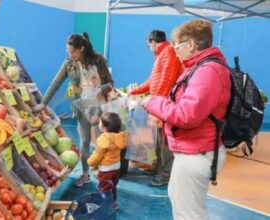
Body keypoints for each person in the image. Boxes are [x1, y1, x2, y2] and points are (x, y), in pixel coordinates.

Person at [141, 19, 231, 219]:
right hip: (190, 150)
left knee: (189, 213)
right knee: (179, 201)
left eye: (177, 45)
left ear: (191, 44)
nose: (174, 50)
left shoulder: (208, 72)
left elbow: (187, 115)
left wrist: (153, 102)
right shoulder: (200, 69)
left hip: (197, 153)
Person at [41, 33, 114, 187]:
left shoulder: (98, 60)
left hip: (101, 108)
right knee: (85, 142)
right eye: (68, 52)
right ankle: (85, 174)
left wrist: (101, 89)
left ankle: (105, 175)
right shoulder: (69, 64)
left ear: (82, 48)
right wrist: (43, 103)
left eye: (73, 52)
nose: (71, 55)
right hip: (82, 109)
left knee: (103, 143)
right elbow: (55, 83)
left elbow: (110, 84)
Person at [129, 30, 183, 186]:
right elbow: (152, 81)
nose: (149, 48)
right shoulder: (161, 55)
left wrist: (155, 103)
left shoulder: (169, 52)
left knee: (165, 141)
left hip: (165, 106)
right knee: (159, 140)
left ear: (152, 41)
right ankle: (158, 167)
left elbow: (167, 80)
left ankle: (165, 175)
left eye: (148, 45)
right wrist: (134, 91)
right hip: (160, 105)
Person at [87, 112, 127, 209]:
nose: (99, 124)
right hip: (116, 168)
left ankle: (105, 206)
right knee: (112, 187)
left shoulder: (103, 139)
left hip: (106, 170)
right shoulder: (120, 137)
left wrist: (90, 162)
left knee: (104, 188)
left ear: (104, 127)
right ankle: (113, 203)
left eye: (100, 122)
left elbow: (97, 156)